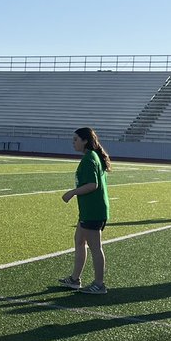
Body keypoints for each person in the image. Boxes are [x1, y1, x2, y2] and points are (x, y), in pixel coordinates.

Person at [59, 126, 111, 294]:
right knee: (79, 241)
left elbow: (92, 185)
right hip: (89, 210)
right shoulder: (91, 156)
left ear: (85, 141)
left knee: (96, 247)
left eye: (76, 140)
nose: (73, 143)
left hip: (93, 211)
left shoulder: (89, 159)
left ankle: (99, 284)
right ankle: (75, 279)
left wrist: (72, 193)